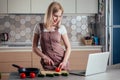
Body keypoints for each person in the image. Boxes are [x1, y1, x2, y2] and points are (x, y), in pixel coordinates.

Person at [32, 1, 71, 71]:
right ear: (49, 14)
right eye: (55, 16)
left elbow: (68, 47)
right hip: (48, 64)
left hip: (62, 63)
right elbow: (34, 48)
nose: (57, 19)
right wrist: (44, 57)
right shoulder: (39, 27)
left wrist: (64, 61)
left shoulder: (61, 28)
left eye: (59, 16)